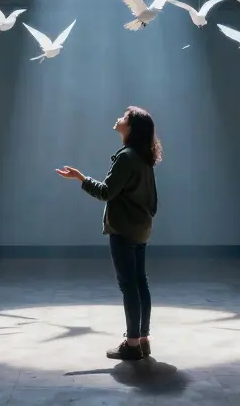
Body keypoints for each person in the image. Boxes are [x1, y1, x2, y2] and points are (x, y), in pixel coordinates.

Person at [56, 106, 161, 361]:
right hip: (141, 228)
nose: (119, 118)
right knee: (140, 283)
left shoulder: (127, 157)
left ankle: (133, 343)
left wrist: (81, 178)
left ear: (131, 127)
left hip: (124, 229)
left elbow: (105, 192)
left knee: (129, 286)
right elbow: (153, 202)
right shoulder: (143, 158)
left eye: (124, 117)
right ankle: (143, 339)